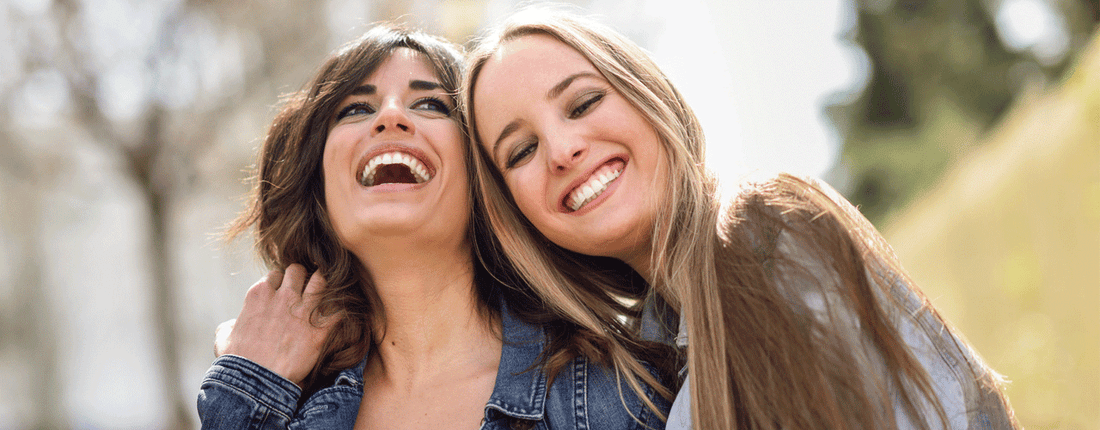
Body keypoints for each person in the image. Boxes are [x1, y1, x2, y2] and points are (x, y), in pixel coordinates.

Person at [462, 10, 1019, 430]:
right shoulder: (646, 373)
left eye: (582, 104)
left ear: (645, 96)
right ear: (516, 216)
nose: (561, 150)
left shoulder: (767, 233)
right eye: (521, 151)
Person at [197, 24, 674, 429]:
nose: (389, 117)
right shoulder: (277, 400)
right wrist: (248, 389)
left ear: (484, 177)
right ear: (319, 186)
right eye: (355, 109)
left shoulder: (622, 391)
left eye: (430, 105)